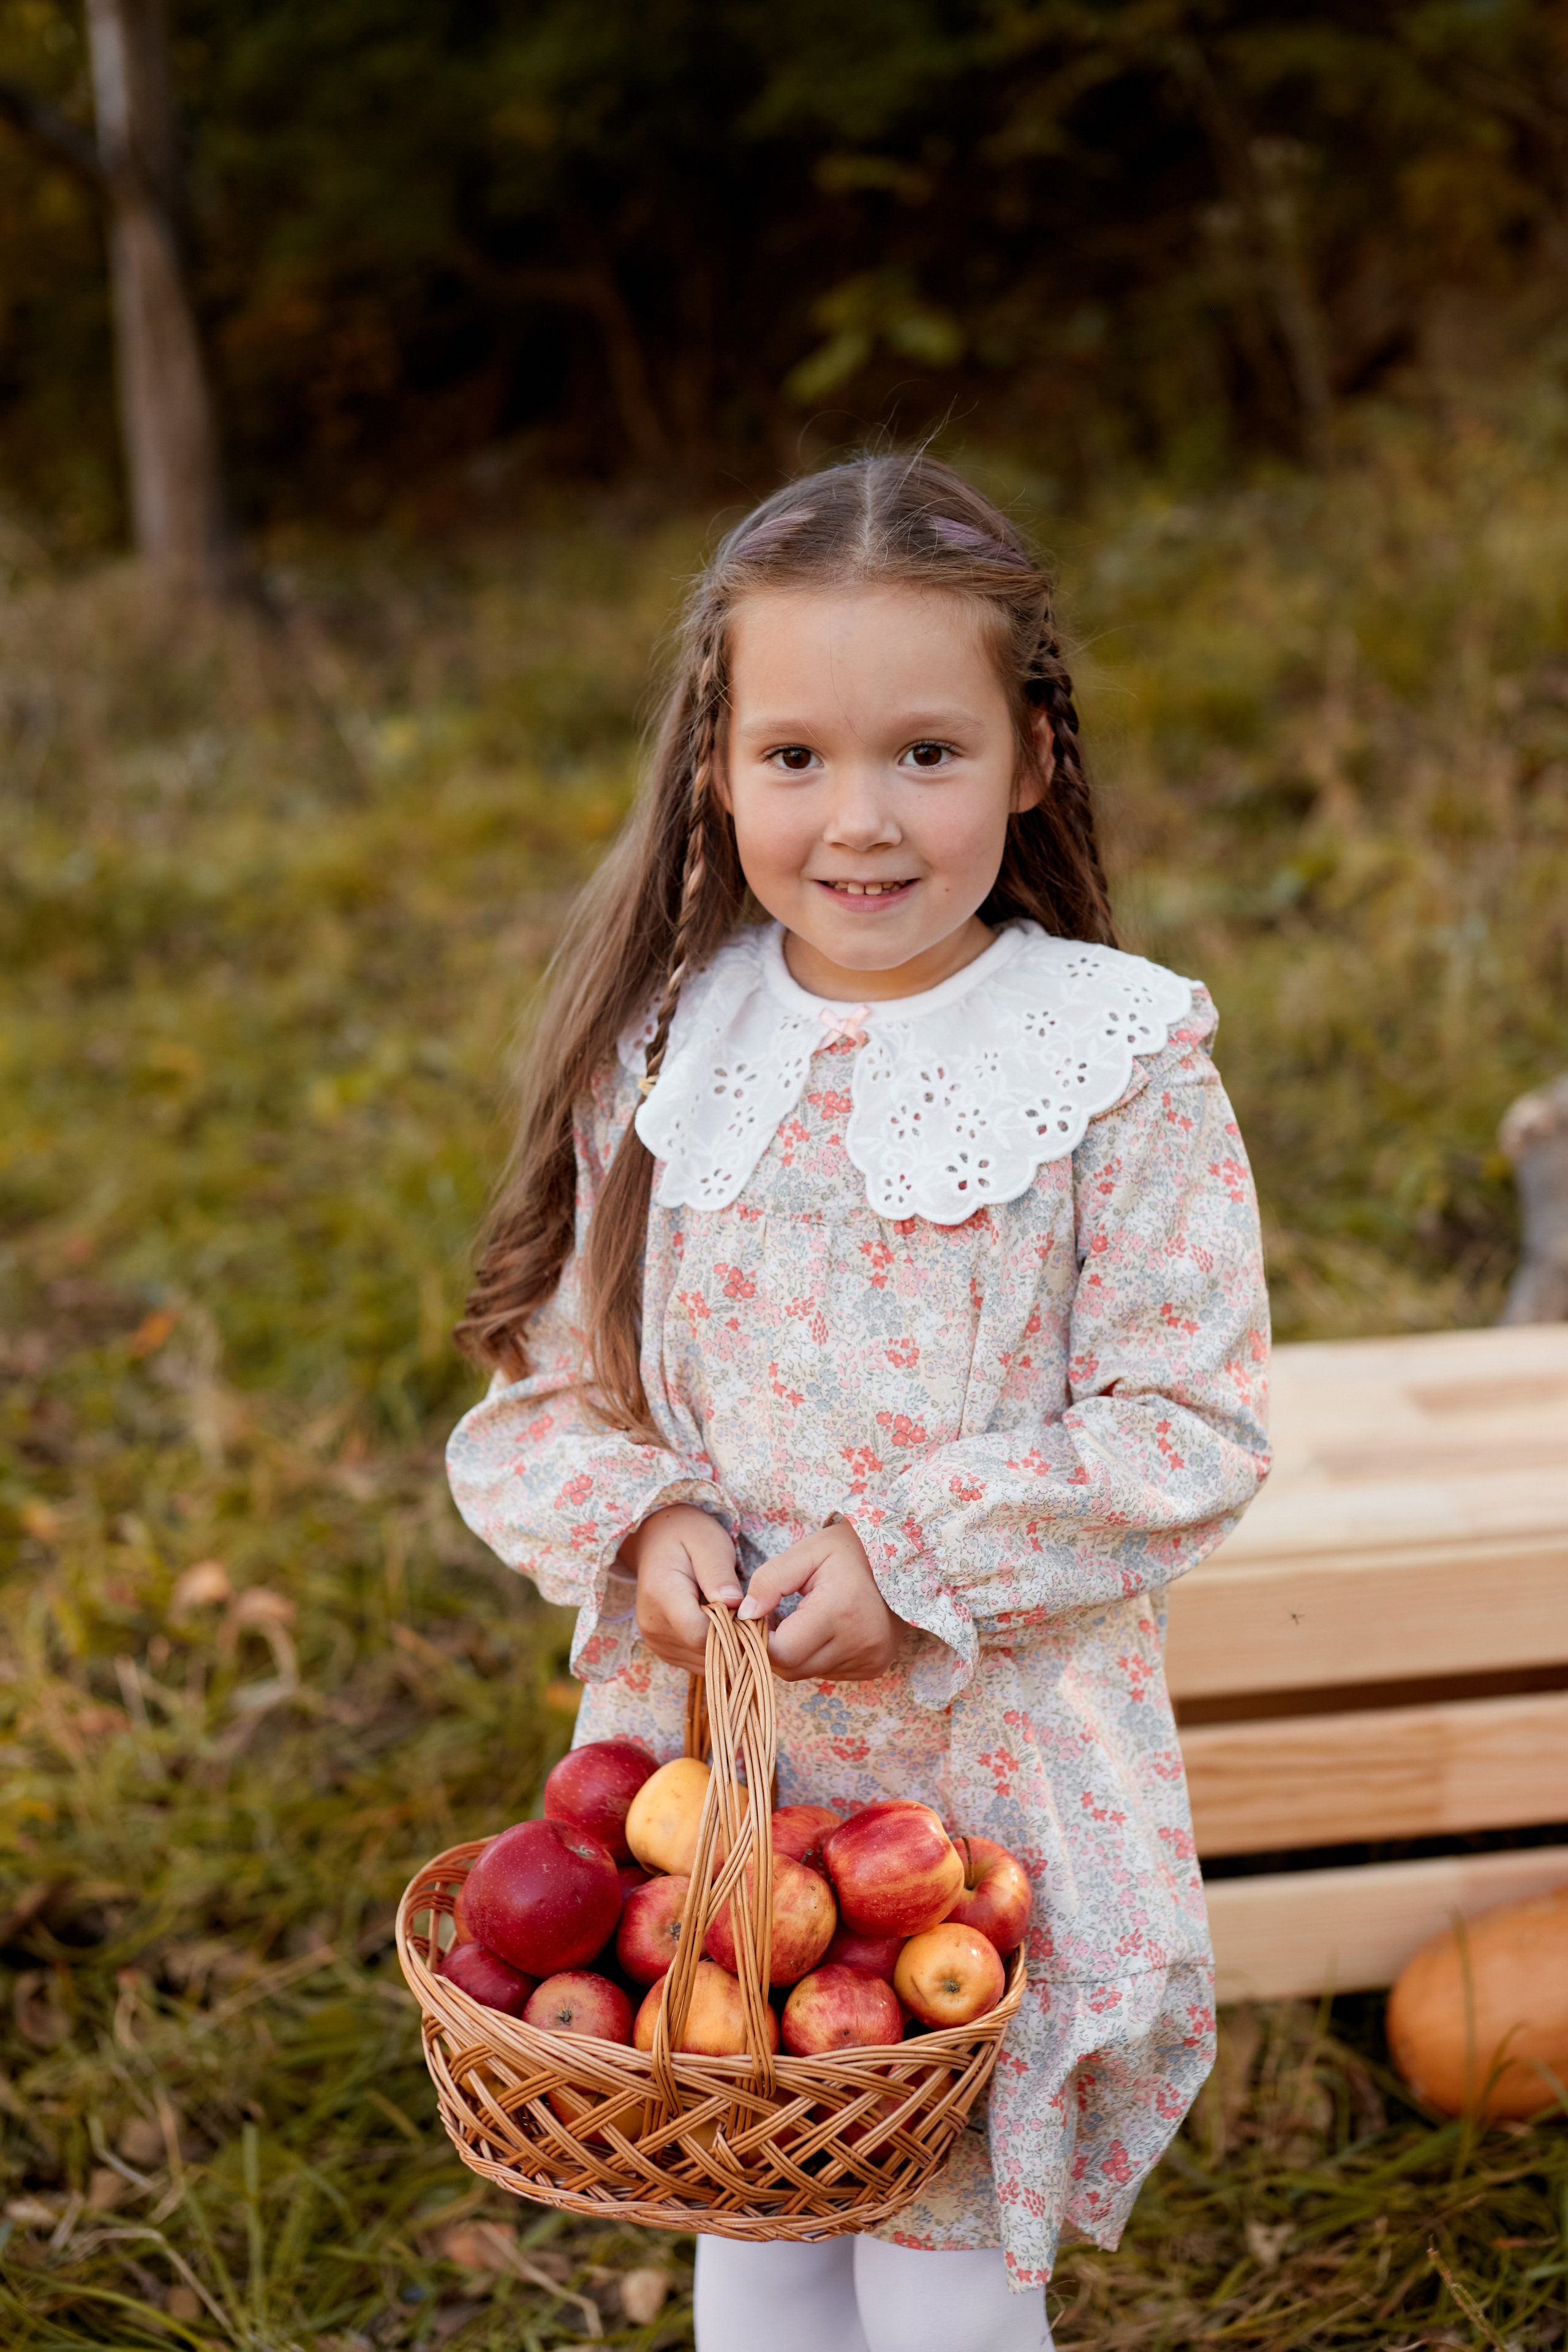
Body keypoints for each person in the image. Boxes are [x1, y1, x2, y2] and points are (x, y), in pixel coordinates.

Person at [447, 454, 1270, 2352]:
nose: (861, 821)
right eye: (797, 758)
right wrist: (644, 1521)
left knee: (947, 2297)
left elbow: (1191, 1425)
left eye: (928, 752)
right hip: (722, 1798)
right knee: (757, 2249)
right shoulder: (668, 1044)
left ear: (1034, 759)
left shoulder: (1115, 1062)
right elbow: (542, 1396)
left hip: (990, 1793)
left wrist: (910, 1555)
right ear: (718, 769)